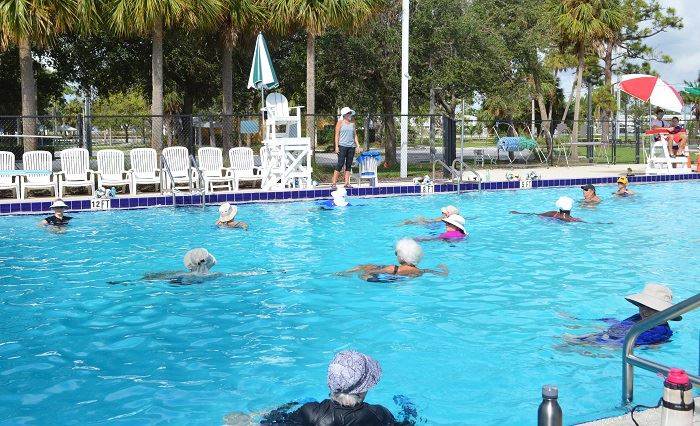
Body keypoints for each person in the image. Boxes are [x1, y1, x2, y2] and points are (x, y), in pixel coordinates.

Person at [224, 350, 415, 425]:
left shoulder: (311, 411)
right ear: (363, 388)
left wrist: (280, 409)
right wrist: (409, 409)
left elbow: (272, 422)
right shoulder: (378, 414)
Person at [568, 283, 680, 346]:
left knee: (569, 345)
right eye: (642, 306)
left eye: (651, 308)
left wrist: (593, 342)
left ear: (664, 311)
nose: (645, 311)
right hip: (610, 335)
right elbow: (621, 324)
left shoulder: (660, 332)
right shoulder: (639, 317)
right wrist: (582, 323)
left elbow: (624, 343)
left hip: (613, 345)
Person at [339, 238, 447, 282]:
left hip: (382, 279)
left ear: (401, 256)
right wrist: (444, 268)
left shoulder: (392, 268)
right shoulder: (421, 271)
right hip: (400, 279)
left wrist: (363, 272)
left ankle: (341, 273)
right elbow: (442, 274)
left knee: (363, 267)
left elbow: (370, 273)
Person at [331, 107, 361, 190]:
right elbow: (337, 135)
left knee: (348, 165)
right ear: (344, 115)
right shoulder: (340, 123)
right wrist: (336, 147)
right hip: (342, 146)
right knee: (340, 164)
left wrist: (358, 145)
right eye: (348, 113)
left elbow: (355, 135)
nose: (350, 115)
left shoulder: (352, 123)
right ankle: (333, 183)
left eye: (350, 113)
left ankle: (347, 183)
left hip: (351, 147)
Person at [510, 196, 583, 223]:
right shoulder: (572, 219)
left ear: (559, 207)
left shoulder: (553, 213)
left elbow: (535, 214)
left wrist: (519, 213)